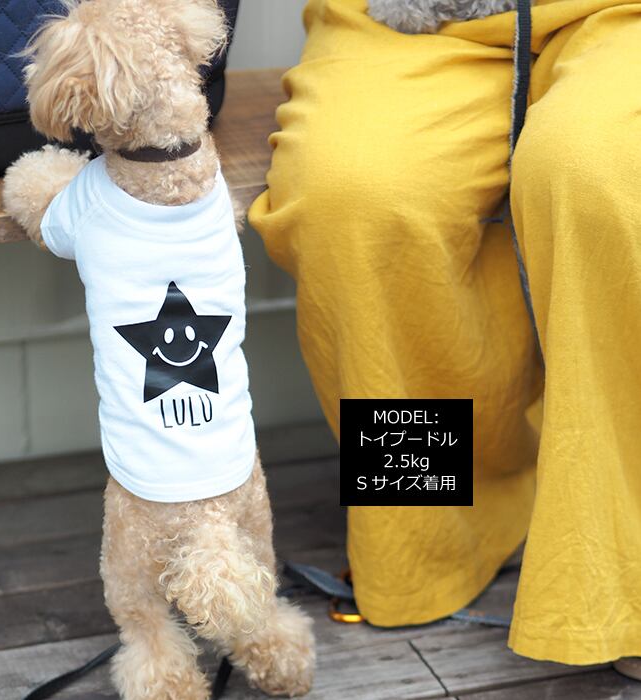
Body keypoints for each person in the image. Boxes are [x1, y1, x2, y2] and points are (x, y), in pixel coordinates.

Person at [248, 0, 641, 668]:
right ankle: (432, 527)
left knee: (601, 169)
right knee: (354, 196)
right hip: (409, 18)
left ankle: (627, 577)